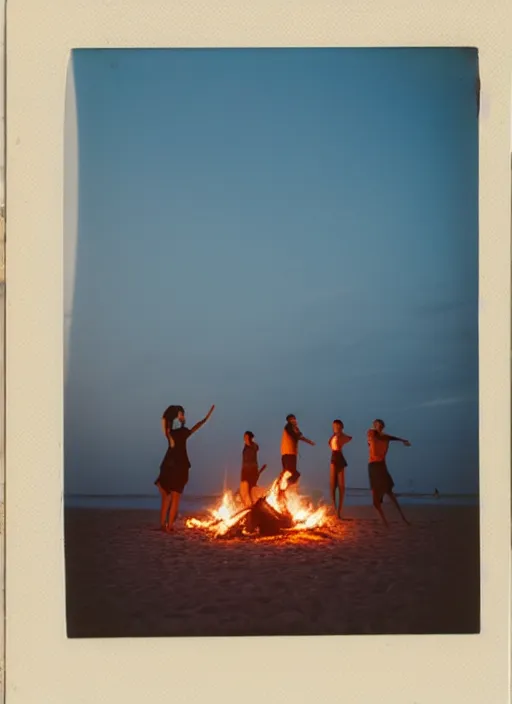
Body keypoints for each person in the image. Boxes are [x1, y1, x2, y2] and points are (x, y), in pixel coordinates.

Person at [155, 404, 215, 532]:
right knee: (169, 496)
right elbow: (165, 422)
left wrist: (205, 418)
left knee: (173, 496)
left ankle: (167, 525)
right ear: (176, 416)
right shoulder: (172, 432)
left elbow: (195, 427)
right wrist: (205, 419)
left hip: (175, 465)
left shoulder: (178, 432)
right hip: (174, 465)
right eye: (181, 414)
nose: (183, 416)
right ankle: (166, 525)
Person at [367, 418, 411, 527]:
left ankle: (402, 517)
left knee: (389, 492)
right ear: (374, 426)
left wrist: (402, 440)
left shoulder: (384, 437)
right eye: (377, 425)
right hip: (373, 466)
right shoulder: (372, 433)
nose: (379, 427)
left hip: (381, 466)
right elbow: (378, 436)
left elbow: (388, 437)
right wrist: (399, 440)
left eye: (381, 425)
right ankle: (385, 521)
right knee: (375, 498)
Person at [280, 414, 315, 488]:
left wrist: (309, 442)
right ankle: (283, 487)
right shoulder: (288, 426)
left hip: (291, 454)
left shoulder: (294, 428)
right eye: (292, 419)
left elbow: (299, 436)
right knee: (294, 474)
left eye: (295, 419)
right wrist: (299, 434)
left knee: (289, 473)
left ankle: (283, 488)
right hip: (288, 454)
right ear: (289, 421)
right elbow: (296, 435)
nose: (294, 420)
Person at [328, 419, 352, 519]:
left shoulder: (342, 436)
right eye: (334, 426)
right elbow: (330, 444)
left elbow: (349, 438)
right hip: (334, 457)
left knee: (341, 486)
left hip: (339, 457)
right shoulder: (333, 436)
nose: (335, 427)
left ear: (341, 427)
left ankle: (339, 511)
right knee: (333, 485)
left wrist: (341, 435)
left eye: (337, 426)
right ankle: (335, 509)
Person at [239, 431, 267, 507]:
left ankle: (255, 502)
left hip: (252, 470)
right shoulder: (245, 447)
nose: (245, 439)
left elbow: (256, 448)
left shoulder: (253, 446)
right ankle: (248, 504)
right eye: (244, 437)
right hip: (245, 470)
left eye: (246, 437)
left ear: (250, 438)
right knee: (244, 489)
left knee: (252, 488)